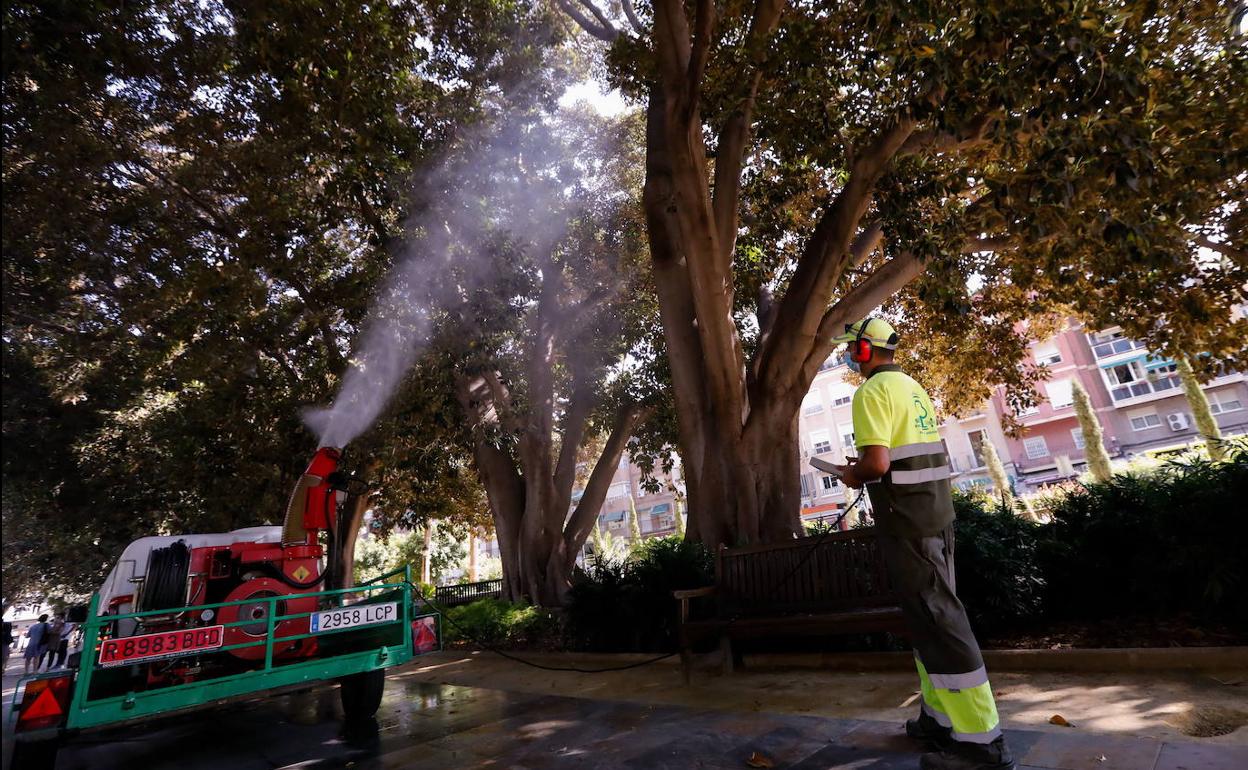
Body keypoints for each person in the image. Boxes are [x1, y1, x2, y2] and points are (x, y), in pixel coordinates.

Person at [830, 318, 1015, 770]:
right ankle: (938, 717)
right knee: (926, 621)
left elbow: (877, 464)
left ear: (866, 350)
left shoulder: (871, 392)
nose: (849, 356)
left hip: (909, 524)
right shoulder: (912, 387)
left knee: (940, 621)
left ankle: (982, 742)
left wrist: (853, 473)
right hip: (934, 517)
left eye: (852, 348)